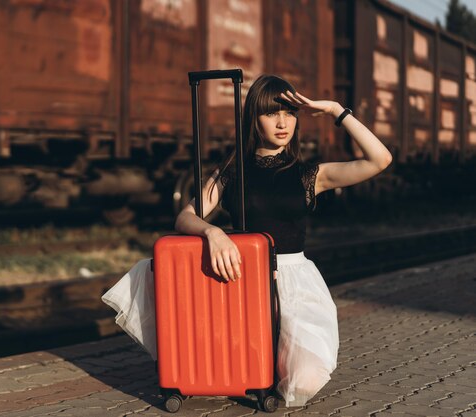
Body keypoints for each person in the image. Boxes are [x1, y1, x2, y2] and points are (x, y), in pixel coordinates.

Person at [101, 74, 393, 407]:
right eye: (271, 113)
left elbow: (380, 159)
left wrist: (335, 110)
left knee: (307, 379)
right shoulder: (232, 170)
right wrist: (213, 232)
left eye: (289, 113)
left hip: (294, 286)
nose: (282, 122)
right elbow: (185, 216)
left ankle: (262, 366)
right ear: (253, 119)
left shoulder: (309, 175)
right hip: (241, 281)